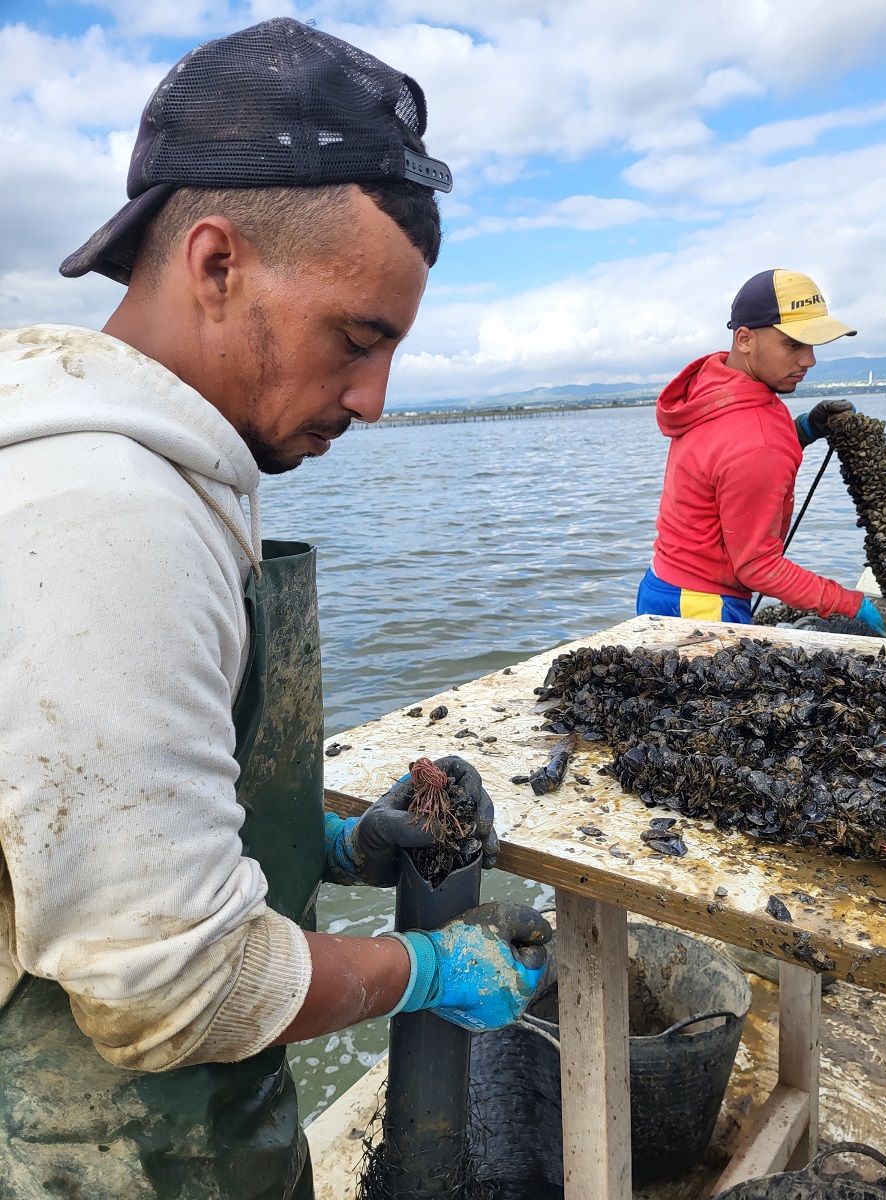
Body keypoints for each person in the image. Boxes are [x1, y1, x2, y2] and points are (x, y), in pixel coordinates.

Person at [0, 20, 551, 1200]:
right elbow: (168, 989)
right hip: (96, 1158)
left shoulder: (178, 471)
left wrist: (339, 847)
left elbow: (113, 823)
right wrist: (422, 969)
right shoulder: (104, 517)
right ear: (216, 264)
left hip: (215, 1132)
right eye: (357, 339)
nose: (376, 399)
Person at [637, 268, 886, 633]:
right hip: (703, 609)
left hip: (661, 584)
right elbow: (758, 566)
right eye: (793, 345)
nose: (809, 360)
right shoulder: (758, 440)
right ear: (744, 339)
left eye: (813, 345)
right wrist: (854, 605)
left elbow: (724, 458)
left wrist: (801, 430)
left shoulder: (711, 388)